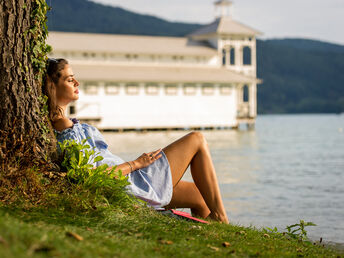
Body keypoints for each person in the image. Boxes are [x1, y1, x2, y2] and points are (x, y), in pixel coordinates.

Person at [44, 58, 229, 224]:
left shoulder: (68, 125)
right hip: (128, 184)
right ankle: (221, 218)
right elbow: (91, 176)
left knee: (199, 195)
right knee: (196, 139)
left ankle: (211, 236)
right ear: (52, 86)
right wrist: (136, 163)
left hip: (130, 180)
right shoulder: (64, 126)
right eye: (69, 80)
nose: (76, 82)